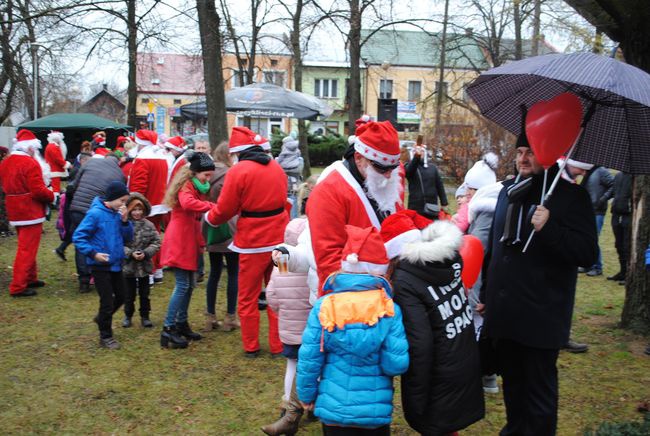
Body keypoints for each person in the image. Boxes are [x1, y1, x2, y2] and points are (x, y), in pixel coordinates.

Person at [478, 131, 598, 435]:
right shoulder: (508, 191)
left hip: (541, 317)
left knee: (539, 398)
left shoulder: (572, 197)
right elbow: (495, 248)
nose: (523, 159)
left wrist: (551, 227)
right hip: (506, 313)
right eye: (519, 152)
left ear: (549, 152)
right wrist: (486, 293)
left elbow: (586, 253)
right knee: (513, 389)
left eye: (531, 151)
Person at [297, 225, 409, 434]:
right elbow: (396, 364)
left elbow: (309, 359)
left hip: (333, 412)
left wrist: (306, 396)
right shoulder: (389, 309)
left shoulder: (324, 306)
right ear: (380, 270)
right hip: (374, 413)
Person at [383, 210, 485, 435]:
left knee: (438, 426)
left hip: (438, 374)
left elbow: (420, 344)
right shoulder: (445, 261)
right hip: (461, 361)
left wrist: (416, 400)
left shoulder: (405, 281)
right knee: (448, 426)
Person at [205, 127, 288, 358]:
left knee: (248, 296)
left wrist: (209, 218)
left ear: (237, 153)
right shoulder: (277, 167)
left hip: (253, 244)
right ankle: (279, 344)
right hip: (281, 243)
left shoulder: (239, 171)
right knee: (281, 293)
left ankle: (251, 346)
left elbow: (224, 209)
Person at [307, 120, 402, 291]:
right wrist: (379, 284)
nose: (389, 176)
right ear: (359, 158)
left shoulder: (385, 179)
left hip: (387, 288)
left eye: (393, 168)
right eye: (381, 168)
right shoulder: (329, 192)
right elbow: (329, 260)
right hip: (351, 296)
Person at [159, 152, 215, 349]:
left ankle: (181, 323)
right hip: (180, 240)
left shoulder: (195, 186)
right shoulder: (187, 186)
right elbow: (188, 204)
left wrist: (200, 241)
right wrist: (211, 207)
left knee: (190, 284)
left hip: (188, 238)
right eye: (206, 175)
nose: (208, 179)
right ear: (195, 172)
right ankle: (168, 328)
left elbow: (194, 220)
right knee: (183, 285)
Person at [261, 217, 311, 435]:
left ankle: (287, 405)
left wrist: (281, 311)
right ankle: (311, 406)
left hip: (289, 327)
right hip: (310, 328)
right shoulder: (311, 261)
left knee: (292, 365)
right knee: (313, 368)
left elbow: (271, 293)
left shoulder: (281, 262)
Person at [72, 181, 133, 349]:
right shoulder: (95, 214)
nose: (123, 204)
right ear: (111, 198)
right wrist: (93, 254)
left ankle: (101, 318)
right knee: (106, 301)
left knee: (122, 296)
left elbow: (128, 237)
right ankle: (105, 336)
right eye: (121, 200)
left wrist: (126, 221)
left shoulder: (118, 214)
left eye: (125, 201)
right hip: (100, 265)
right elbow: (78, 237)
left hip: (116, 263)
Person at [0, 130, 54, 297]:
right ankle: (18, 286)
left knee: (27, 246)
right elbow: (38, 191)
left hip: (14, 208)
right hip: (30, 210)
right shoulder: (30, 163)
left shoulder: (6, 162)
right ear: (30, 147)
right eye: (35, 148)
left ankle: (30, 277)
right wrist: (52, 196)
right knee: (26, 249)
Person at [68, 153, 125, 292]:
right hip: (97, 210)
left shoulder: (90, 163)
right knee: (99, 239)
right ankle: (99, 273)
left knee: (81, 241)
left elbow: (73, 184)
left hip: (77, 208)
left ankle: (84, 280)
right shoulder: (120, 173)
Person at [202, 142, 239, 333]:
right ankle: (230, 317)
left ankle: (210, 316)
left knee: (214, 272)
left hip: (211, 224)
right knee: (233, 272)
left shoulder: (205, 173)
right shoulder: (232, 174)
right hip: (230, 225)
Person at [128, 129, 168, 283]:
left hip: (145, 205)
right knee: (155, 237)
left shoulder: (143, 159)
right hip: (159, 203)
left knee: (143, 240)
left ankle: (147, 273)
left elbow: (139, 186)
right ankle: (157, 271)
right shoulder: (161, 157)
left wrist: (134, 205)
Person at [121, 193, 161, 328]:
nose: (137, 213)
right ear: (129, 210)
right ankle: (128, 315)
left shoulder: (149, 225)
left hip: (144, 266)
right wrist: (130, 254)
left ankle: (145, 316)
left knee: (145, 294)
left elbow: (156, 242)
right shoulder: (123, 225)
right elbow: (118, 243)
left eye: (140, 210)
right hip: (128, 266)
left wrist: (146, 253)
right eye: (134, 210)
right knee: (129, 294)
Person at [580, 164, 614, 276]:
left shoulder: (601, 171)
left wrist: (603, 199)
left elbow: (613, 185)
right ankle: (587, 265)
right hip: (588, 210)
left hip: (598, 211)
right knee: (586, 238)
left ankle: (597, 267)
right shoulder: (589, 172)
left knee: (593, 238)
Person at [454, 153, 498, 232]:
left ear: (480, 189)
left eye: (470, 188)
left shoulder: (486, 212)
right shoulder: (475, 207)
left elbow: (478, 240)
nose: (466, 192)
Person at [405, 141, 448, 219]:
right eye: (416, 151)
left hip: (432, 206)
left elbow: (439, 185)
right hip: (415, 207)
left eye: (421, 151)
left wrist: (444, 202)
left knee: (431, 228)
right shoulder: (409, 167)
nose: (420, 153)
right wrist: (416, 157)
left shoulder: (432, 168)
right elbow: (409, 171)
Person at [608, 171, 633, 285]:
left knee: (627, 245)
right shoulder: (618, 175)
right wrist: (603, 198)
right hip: (616, 214)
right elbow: (613, 190)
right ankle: (622, 272)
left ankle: (628, 274)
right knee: (618, 244)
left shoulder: (636, 177)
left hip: (628, 214)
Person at [276, 133, 304, 219]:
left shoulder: (277, 160)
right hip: (294, 187)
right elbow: (299, 170)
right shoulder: (299, 160)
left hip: (281, 187)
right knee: (293, 210)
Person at [44, 131, 71, 208]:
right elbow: (58, 159)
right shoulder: (53, 147)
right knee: (55, 188)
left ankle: (53, 201)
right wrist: (67, 165)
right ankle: (55, 203)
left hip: (52, 170)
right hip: (54, 170)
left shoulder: (51, 146)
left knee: (54, 187)